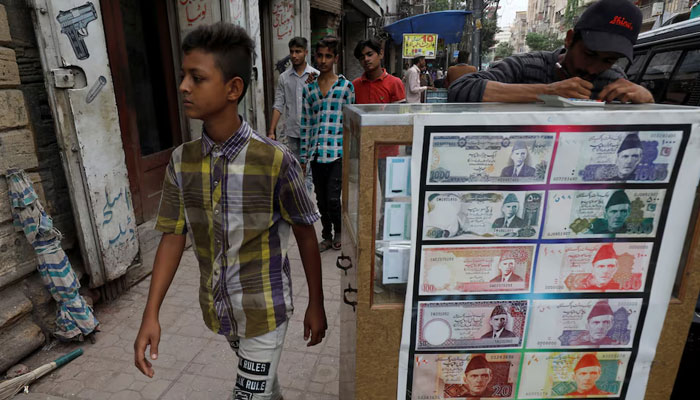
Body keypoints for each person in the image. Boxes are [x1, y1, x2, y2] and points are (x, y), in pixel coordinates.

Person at [133, 23, 327, 400]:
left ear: (233, 89)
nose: (184, 86)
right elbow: (173, 236)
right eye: (183, 76)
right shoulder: (181, 161)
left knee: (247, 395)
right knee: (264, 390)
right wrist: (150, 313)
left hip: (266, 310)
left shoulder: (275, 160)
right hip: (220, 311)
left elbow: (305, 232)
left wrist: (315, 304)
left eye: (197, 78)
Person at [448, 0, 654, 104]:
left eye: (609, 60)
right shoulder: (524, 66)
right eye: (589, 54)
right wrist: (547, 92)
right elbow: (461, 89)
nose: (594, 68)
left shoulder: (613, 81)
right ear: (570, 38)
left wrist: (648, 101)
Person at [301, 36, 355, 252]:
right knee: (321, 200)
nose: (323, 60)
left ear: (335, 58)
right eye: (320, 56)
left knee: (333, 198)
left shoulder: (345, 87)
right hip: (316, 153)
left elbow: (351, 123)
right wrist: (304, 158)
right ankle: (326, 235)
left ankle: (340, 231)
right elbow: (306, 124)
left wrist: (351, 155)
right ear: (315, 56)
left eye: (328, 56)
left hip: (337, 152)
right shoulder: (309, 89)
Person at [267, 37, 319, 162]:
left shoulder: (316, 75)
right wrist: (271, 131)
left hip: (312, 132)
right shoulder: (284, 78)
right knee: (295, 167)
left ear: (306, 52)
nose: (294, 55)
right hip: (292, 132)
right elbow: (278, 104)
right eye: (292, 51)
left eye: (298, 51)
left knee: (310, 169)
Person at [352, 38, 405, 104]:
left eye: (370, 54)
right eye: (362, 57)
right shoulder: (355, 85)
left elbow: (400, 112)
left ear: (381, 54)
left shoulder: (395, 83)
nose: (366, 59)